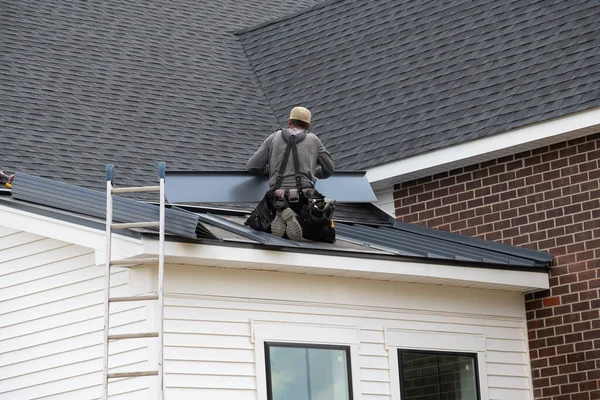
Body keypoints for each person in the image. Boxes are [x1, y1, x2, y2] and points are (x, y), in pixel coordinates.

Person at [246, 106, 335, 241]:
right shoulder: (314, 140)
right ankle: (294, 217)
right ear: (308, 125)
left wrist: (271, 171)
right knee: (325, 233)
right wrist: (313, 174)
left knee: (257, 223)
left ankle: (281, 212)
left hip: (276, 196)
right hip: (304, 201)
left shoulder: (273, 138)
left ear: (289, 122)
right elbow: (329, 169)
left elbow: (252, 166)